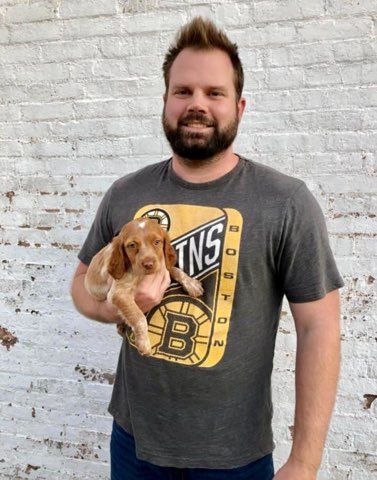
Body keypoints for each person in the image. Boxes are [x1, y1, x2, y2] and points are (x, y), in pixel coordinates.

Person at [70, 16, 344, 480]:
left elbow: (319, 327)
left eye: (214, 93)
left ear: (239, 106)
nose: (197, 104)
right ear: (164, 103)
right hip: (135, 442)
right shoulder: (124, 194)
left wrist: (304, 461)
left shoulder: (287, 202)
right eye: (183, 92)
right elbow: (81, 285)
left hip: (234, 456)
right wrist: (122, 307)